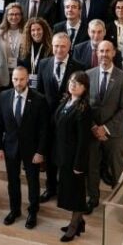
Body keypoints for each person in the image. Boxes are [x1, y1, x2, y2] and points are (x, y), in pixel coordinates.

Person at [0, 66, 50, 229]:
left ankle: (33, 212)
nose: (18, 83)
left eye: (21, 79)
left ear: (28, 80)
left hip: (32, 150)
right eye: (15, 79)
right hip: (10, 147)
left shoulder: (39, 99)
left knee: (33, 181)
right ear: (12, 79)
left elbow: (44, 129)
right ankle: (15, 210)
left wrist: (40, 152)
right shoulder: (4, 96)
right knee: (12, 181)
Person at [35, 32, 87, 202]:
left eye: (63, 46)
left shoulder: (79, 66)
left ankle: (64, 190)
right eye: (56, 46)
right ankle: (50, 187)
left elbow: (82, 94)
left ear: (69, 47)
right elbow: (40, 93)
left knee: (66, 157)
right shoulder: (43, 63)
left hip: (70, 120)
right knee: (50, 155)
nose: (59, 49)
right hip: (49, 120)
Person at [86, 40, 123, 211]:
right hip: (92, 132)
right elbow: (84, 106)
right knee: (92, 168)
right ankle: (93, 199)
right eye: (101, 51)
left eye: (107, 51)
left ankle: (119, 205)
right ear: (97, 53)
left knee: (116, 169)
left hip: (114, 133)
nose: (104, 54)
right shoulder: (88, 74)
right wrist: (94, 127)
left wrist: (105, 128)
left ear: (113, 53)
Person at [54, 71, 93, 241]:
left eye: (78, 83)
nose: (73, 84)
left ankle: (73, 226)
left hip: (75, 159)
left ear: (85, 88)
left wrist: (79, 164)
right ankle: (80, 221)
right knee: (69, 191)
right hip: (63, 156)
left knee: (77, 193)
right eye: (71, 81)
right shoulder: (66, 101)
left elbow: (84, 141)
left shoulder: (84, 109)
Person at [0, 2, 26, 86]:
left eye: (17, 14)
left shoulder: (26, 32)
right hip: (3, 73)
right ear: (6, 16)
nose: (14, 17)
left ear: (21, 16)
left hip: (21, 75)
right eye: (11, 14)